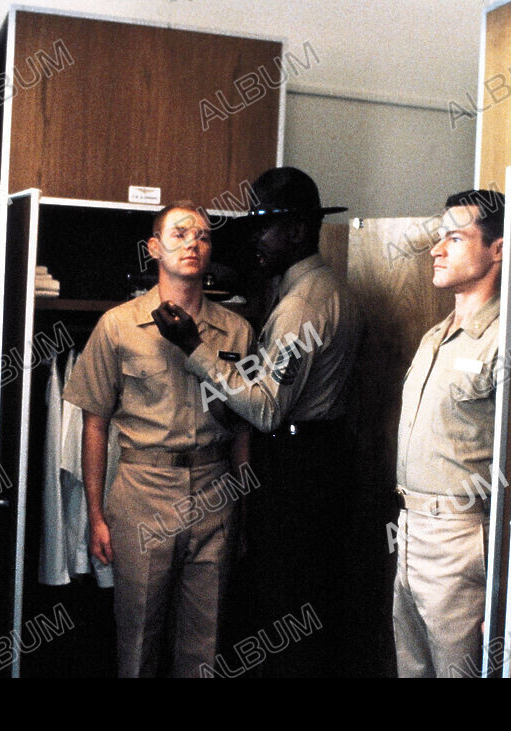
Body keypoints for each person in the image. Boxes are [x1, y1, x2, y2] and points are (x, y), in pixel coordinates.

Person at [153, 167, 362, 677]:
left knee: (285, 603)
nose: (253, 240)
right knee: (295, 603)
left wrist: (194, 349)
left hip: (298, 467)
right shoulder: (315, 288)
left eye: (263, 228)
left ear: (294, 231)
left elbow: (268, 409)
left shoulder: (303, 305)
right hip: (314, 457)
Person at [63, 202, 252, 677]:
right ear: (154, 248)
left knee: (204, 645)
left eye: (204, 236)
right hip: (143, 487)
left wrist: (243, 504)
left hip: (214, 487)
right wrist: (96, 515)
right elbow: (95, 423)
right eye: (181, 233)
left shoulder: (236, 329)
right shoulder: (118, 325)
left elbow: (244, 425)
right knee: (137, 638)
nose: (193, 243)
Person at [392, 190, 505, 678]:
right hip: (411, 526)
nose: (436, 250)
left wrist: (503, 580)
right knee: (412, 667)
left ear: (497, 249)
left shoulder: (507, 338)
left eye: (454, 238)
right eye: (440, 237)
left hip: (461, 535)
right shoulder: (435, 335)